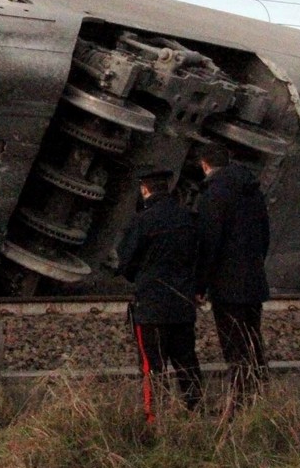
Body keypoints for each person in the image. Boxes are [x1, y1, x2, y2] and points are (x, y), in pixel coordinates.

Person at [116, 170, 203, 422]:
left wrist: (139, 277)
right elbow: (200, 257)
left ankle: (154, 416)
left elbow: (126, 262)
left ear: (145, 190)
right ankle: (195, 409)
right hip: (182, 304)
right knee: (186, 359)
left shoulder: (142, 221)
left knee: (152, 365)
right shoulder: (189, 218)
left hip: (151, 305)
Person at [194, 142, 270, 417]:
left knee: (235, 347)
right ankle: (260, 401)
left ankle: (237, 407)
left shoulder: (213, 195)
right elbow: (264, 236)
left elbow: (209, 243)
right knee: (252, 342)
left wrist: (199, 285)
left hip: (227, 286)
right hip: (254, 281)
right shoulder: (253, 192)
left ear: (205, 165)